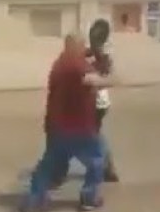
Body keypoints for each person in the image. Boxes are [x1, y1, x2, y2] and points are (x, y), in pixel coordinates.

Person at [19, 33, 116, 212]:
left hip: (58, 127)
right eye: (82, 47)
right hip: (80, 128)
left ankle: (32, 203)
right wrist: (114, 77)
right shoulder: (77, 65)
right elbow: (94, 81)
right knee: (96, 160)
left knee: (47, 167)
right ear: (78, 46)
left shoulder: (60, 62)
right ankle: (89, 198)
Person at [48, 19, 119, 189]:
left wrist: (96, 54)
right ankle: (107, 168)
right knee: (91, 134)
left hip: (95, 101)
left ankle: (61, 172)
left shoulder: (103, 54)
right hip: (91, 100)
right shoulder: (89, 52)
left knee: (81, 135)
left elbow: (104, 72)